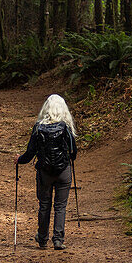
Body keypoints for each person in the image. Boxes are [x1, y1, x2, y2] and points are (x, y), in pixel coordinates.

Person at [16, 94, 78, 250]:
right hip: (63, 170)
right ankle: (58, 240)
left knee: (44, 205)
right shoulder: (66, 127)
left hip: (44, 172)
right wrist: (68, 158)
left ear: (46, 108)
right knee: (60, 206)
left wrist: (19, 160)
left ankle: (42, 239)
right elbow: (73, 152)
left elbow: (30, 153)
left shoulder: (38, 127)